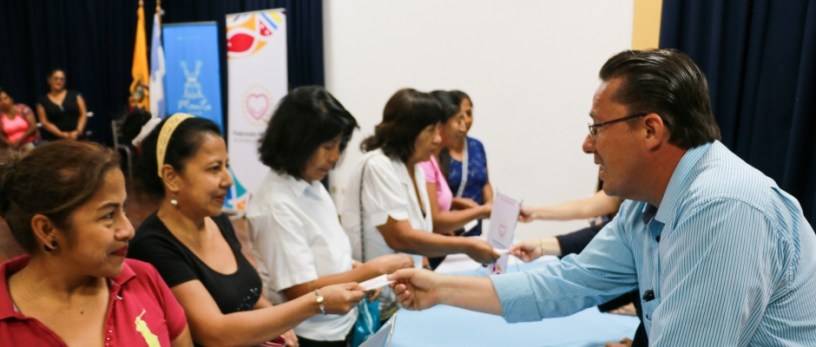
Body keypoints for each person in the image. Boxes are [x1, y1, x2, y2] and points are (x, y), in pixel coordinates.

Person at [388, 49, 816, 345]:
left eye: (597, 127)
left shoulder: (722, 207)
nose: (587, 145)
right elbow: (568, 282)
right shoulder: (646, 204)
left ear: (650, 130)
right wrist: (440, 289)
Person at [129, 114, 365, 347]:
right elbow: (214, 333)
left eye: (227, 166)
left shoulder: (216, 221)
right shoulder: (153, 246)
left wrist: (282, 329)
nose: (228, 180)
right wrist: (317, 302)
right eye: (214, 169)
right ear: (171, 177)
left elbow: (249, 296)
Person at [246, 86, 413, 347]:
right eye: (327, 147)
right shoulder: (275, 205)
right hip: (310, 335)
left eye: (339, 146)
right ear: (296, 142)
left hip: (340, 325)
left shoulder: (311, 184)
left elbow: (325, 253)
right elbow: (299, 289)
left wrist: (361, 273)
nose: (334, 157)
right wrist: (371, 269)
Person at [0, 141, 191, 346]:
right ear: (47, 230)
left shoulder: (144, 280)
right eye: (108, 215)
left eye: (123, 210)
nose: (128, 230)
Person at [340, 88, 499, 269]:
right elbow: (400, 237)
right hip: (377, 289)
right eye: (431, 131)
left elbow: (419, 232)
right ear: (408, 132)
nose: (438, 139)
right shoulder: (378, 166)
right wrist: (466, 246)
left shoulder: (416, 169)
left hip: (405, 285)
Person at [421, 90, 492, 237]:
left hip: (459, 236)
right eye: (458, 120)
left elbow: (485, 181)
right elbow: (434, 221)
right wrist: (480, 211)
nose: (463, 127)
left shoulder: (475, 146)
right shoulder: (425, 162)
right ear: (440, 124)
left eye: (468, 115)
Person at [36, 69, 88, 141]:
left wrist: (78, 131)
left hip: (78, 137)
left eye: (62, 79)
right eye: (56, 78)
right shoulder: (41, 101)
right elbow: (44, 122)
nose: (59, 81)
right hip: (56, 141)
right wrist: (62, 134)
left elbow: (83, 114)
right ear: (49, 80)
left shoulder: (76, 95)